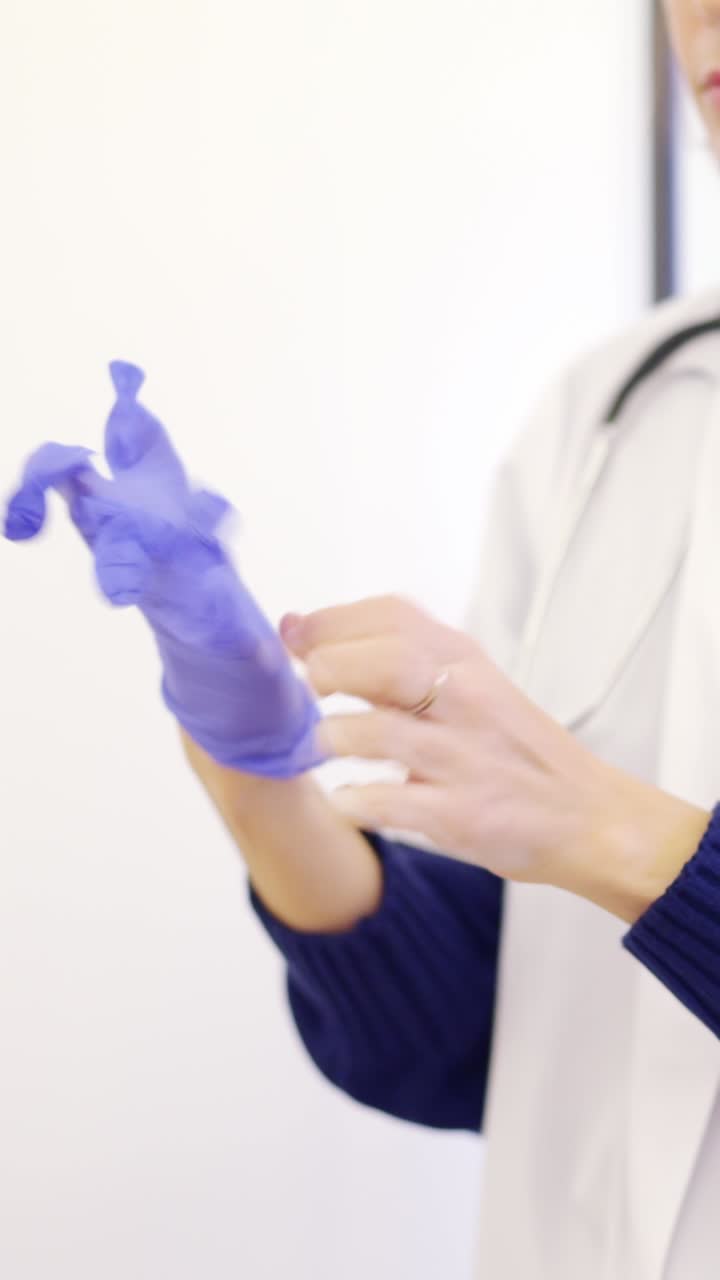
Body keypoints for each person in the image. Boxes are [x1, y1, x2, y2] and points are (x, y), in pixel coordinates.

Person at [4, 2, 720, 1276]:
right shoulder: (612, 418)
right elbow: (484, 1032)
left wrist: (612, 830)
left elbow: (600, 846)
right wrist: (258, 774)